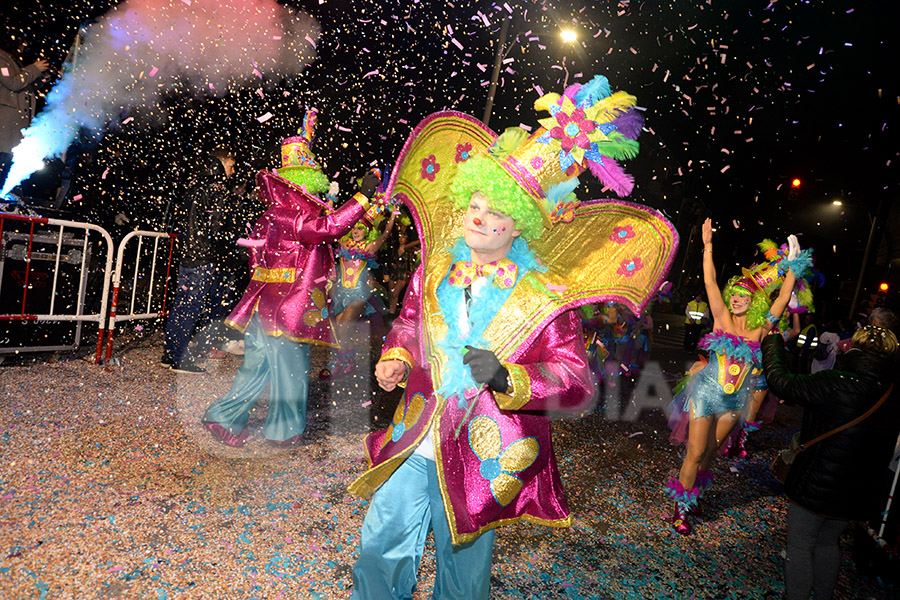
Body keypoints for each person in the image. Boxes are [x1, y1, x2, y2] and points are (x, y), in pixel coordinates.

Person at [348, 75, 677, 598]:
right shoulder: (432, 270)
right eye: (475, 207)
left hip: (485, 451)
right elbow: (410, 323)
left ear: (519, 225)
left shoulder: (544, 295)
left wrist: (508, 377)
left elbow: (575, 381)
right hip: (418, 429)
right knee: (382, 538)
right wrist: (396, 357)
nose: (478, 219)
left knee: (464, 564)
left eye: (495, 213)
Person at [202, 114, 380, 446]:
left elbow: (262, 256)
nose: (317, 192)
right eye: (313, 185)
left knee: (259, 369)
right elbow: (327, 229)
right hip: (285, 309)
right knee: (291, 373)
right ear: (300, 182)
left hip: (267, 306)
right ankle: (283, 431)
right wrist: (361, 198)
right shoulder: (291, 215)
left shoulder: (273, 214)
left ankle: (224, 418)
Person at [664, 218, 812, 534]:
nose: (736, 299)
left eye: (743, 296)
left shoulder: (760, 329)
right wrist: (707, 247)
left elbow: (783, 300)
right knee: (695, 451)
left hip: (733, 400)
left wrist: (794, 268)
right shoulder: (721, 319)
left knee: (711, 454)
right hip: (705, 394)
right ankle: (681, 509)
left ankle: (695, 496)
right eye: (734, 294)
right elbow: (710, 282)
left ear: (753, 300)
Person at [762, 325, 900, 600]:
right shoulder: (892, 391)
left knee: (801, 542)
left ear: (853, 347)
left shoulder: (835, 381)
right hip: (857, 489)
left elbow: (781, 383)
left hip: (816, 481)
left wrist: (773, 342)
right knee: (828, 542)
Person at [161, 147, 236, 373]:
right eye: (231, 166)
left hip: (188, 253)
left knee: (181, 304)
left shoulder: (196, 183)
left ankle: (171, 352)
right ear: (221, 163)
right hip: (203, 255)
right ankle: (179, 358)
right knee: (191, 307)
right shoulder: (217, 187)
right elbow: (218, 227)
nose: (233, 172)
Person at [329, 209, 397, 374]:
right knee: (340, 329)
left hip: (359, 295)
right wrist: (329, 205)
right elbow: (333, 229)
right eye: (354, 228)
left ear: (366, 231)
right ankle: (347, 359)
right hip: (340, 295)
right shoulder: (345, 245)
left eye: (360, 228)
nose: (356, 231)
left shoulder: (368, 247)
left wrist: (393, 215)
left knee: (345, 326)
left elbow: (385, 234)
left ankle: (344, 361)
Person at [0, 36, 51, 186]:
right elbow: (13, 82)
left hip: (14, 121)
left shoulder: (11, 59)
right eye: (22, 42)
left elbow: (23, 84)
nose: (24, 45)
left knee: (7, 157)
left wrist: (40, 79)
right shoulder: (1, 58)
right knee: (3, 157)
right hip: (6, 120)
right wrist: (35, 68)